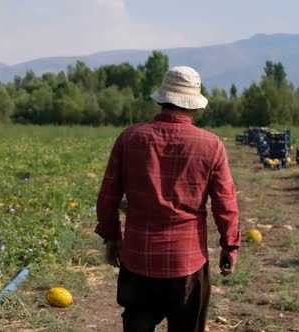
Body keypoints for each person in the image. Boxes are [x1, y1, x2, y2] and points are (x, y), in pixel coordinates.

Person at [95, 66, 241, 332]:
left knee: (137, 319)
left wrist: (112, 236)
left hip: (138, 256)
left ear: (162, 99)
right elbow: (225, 203)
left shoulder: (130, 138)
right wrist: (229, 245)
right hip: (186, 261)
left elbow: (108, 196)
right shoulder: (210, 145)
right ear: (194, 106)